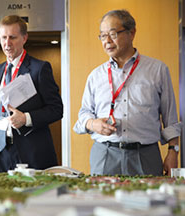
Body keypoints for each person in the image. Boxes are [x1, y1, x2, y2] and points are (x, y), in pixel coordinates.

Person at [74, 10, 182, 176]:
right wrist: (92, 124)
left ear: (131, 33)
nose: (107, 41)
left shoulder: (157, 69)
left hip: (145, 155)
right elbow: (84, 114)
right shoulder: (96, 75)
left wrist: (173, 151)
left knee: (150, 201)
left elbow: (170, 117)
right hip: (105, 154)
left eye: (112, 34)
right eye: (102, 36)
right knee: (103, 201)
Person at [0, 15, 63, 173]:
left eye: (12, 37)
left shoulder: (39, 69)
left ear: (24, 38)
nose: (7, 43)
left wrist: (25, 118)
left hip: (30, 152)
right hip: (2, 150)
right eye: (3, 38)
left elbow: (56, 109)